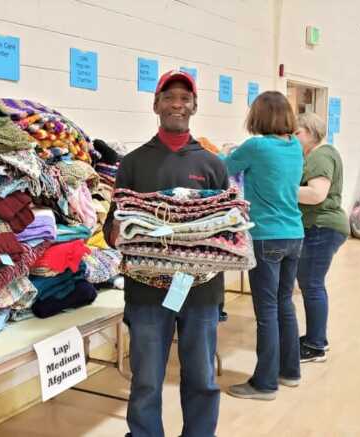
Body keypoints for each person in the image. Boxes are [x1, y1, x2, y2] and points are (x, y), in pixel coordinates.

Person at [104, 70, 229, 437]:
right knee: (145, 380)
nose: (178, 104)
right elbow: (113, 228)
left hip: (201, 290)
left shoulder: (212, 165)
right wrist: (121, 231)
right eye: (170, 97)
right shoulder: (134, 163)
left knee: (202, 378)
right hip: (146, 291)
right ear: (155, 104)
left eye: (185, 98)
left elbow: (227, 228)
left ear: (194, 106)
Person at [218, 91, 304, 401]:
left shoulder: (256, 146)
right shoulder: (295, 146)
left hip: (267, 236)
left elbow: (223, 168)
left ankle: (265, 383)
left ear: (259, 116)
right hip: (295, 234)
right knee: (285, 305)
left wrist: (210, 152)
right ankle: (289, 372)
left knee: (266, 311)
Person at [294, 112, 348, 363]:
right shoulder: (323, 153)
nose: (295, 138)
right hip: (322, 226)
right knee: (310, 283)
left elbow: (316, 194)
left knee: (312, 284)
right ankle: (314, 338)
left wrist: (281, 190)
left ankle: (316, 345)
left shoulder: (320, 155)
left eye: (298, 133)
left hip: (321, 226)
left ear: (311, 131)